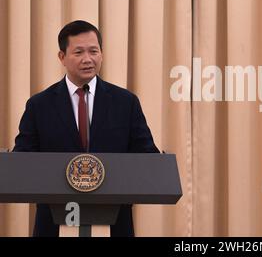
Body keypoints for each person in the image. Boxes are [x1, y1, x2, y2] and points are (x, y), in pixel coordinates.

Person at [13, 20, 160, 237]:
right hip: (53, 222)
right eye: (78, 52)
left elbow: (146, 155)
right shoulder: (39, 105)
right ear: (61, 57)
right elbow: (23, 161)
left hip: (114, 222)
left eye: (93, 51)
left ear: (101, 54)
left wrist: (157, 163)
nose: (87, 59)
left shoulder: (126, 102)